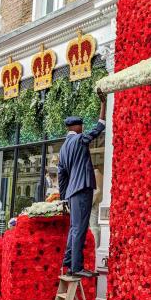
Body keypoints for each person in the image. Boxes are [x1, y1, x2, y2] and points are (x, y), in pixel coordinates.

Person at [58, 89, 107, 278]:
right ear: (77, 128)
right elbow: (99, 128)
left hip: (71, 192)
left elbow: (62, 176)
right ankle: (76, 267)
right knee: (80, 227)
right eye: (81, 126)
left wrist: (64, 197)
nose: (83, 129)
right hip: (82, 188)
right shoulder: (79, 139)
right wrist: (103, 105)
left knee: (74, 227)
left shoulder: (63, 149)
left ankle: (69, 261)